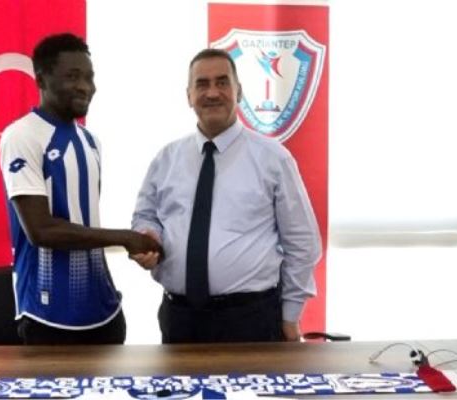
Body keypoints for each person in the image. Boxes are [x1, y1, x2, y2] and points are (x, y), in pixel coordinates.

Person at [130, 48, 322, 344]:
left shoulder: (274, 159)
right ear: (189, 96)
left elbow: (303, 243)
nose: (212, 93)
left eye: (222, 82)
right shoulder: (166, 159)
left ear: (239, 91)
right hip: (179, 319)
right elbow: (146, 216)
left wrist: (290, 315)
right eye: (202, 84)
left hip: (251, 319)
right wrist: (148, 236)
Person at [0, 33, 161, 345]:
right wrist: (124, 238)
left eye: (89, 77)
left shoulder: (91, 142)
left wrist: (144, 242)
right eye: (73, 76)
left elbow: (83, 222)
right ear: (41, 80)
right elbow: (41, 230)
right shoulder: (21, 136)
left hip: (105, 313)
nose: (85, 86)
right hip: (48, 316)